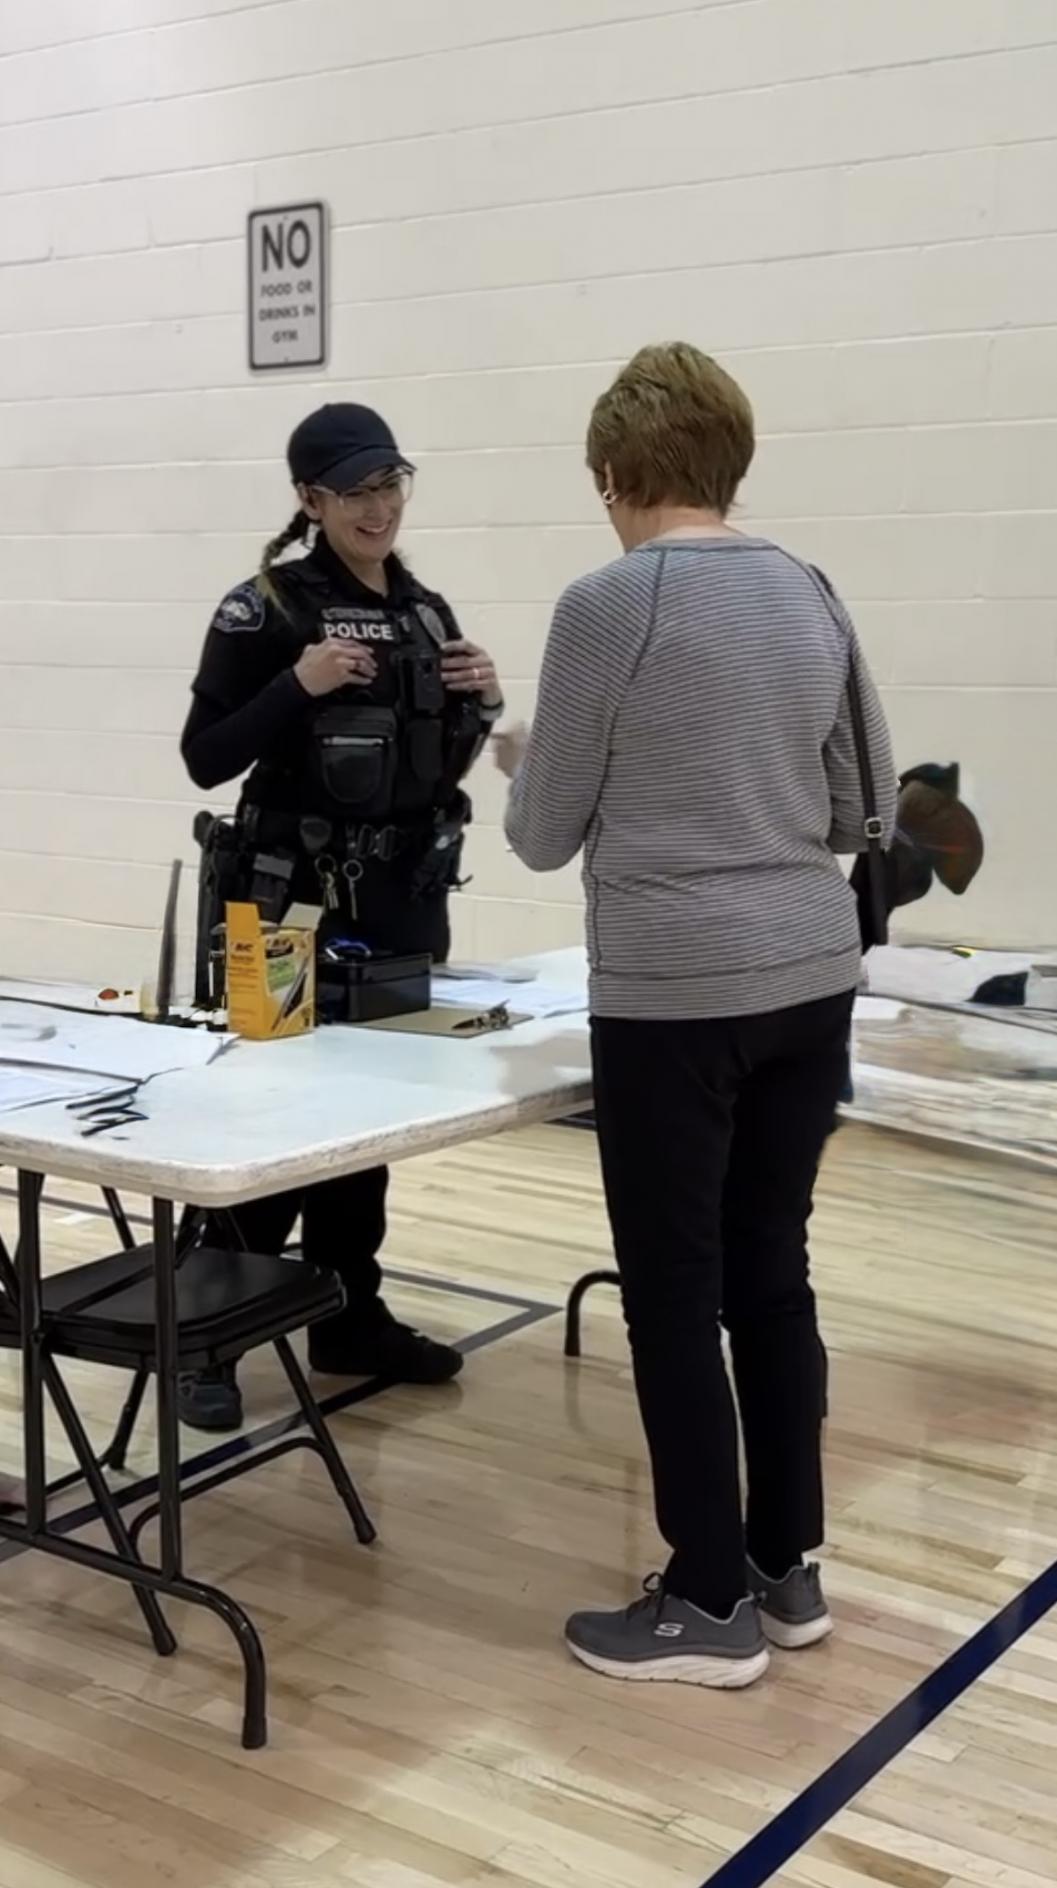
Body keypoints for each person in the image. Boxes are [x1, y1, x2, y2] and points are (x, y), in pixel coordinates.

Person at [497, 343, 897, 1689]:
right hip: (809, 971)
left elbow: (546, 835)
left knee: (673, 1296)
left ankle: (707, 1605)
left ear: (617, 471)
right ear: (729, 461)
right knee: (768, 1278)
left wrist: (537, 760)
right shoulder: (811, 591)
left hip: (676, 989)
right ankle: (787, 1573)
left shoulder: (607, 603)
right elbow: (855, 805)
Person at [180, 402, 504, 1431]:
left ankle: (346, 1309)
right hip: (278, 905)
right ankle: (209, 1332)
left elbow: (428, 763)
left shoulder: (423, 607)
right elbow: (205, 755)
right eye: (356, 491)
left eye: (390, 485)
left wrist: (479, 702)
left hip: (399, 903)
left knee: (365, 1120)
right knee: (263, 1114)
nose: (379, 507)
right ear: (310, 501)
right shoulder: (262, 609)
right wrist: (295, 683)